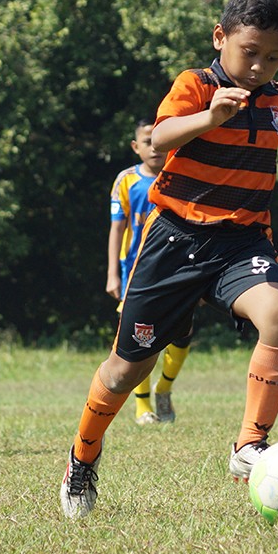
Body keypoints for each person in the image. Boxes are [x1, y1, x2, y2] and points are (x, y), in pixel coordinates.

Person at [60, 0, 278, 519]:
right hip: (174, 242)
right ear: (220, 37)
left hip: (241, 243)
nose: (259, 67)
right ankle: (82, 457)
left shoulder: (277, 102)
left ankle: (248, 445)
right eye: (249, 52)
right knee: (125, 370)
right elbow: (159, 138)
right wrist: (212, 116)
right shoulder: (196, 86)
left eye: (273, 58)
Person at [107, 118, 194, 425]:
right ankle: (143, 406)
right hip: (136, 272)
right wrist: (112, 274)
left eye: (158, 141)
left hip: (180, 269)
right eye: (147, 142)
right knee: (139, 338)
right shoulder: (126, 180)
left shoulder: (181, 172)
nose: (154, 148)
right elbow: (117, 228)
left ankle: (165, 389)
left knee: (183, 335)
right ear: (136, 147)